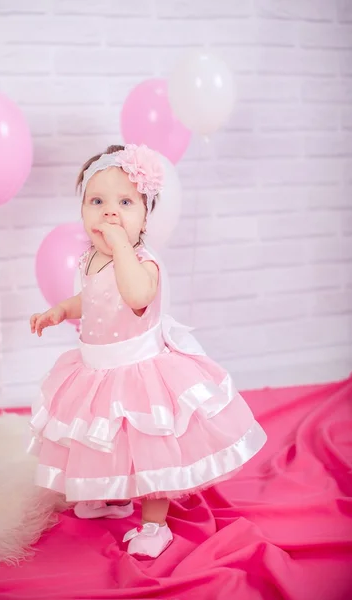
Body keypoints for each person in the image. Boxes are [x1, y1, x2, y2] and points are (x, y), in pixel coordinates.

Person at [28, 143, 267, 559]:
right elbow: (92, 298)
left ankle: (154, 524)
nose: (109, 213)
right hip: (97, 370)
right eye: (97, 201)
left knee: (148, 447)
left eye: (124, 202)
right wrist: (61, 310)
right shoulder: (88, 259)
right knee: (101, 440)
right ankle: (111, 496)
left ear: (145, 216)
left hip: (137, 371)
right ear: (82, 210)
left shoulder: (142, 262)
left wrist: (122, 248)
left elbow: (135, 294)